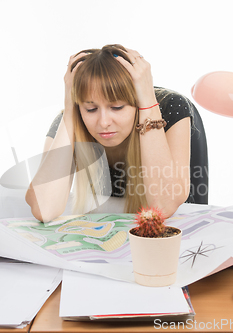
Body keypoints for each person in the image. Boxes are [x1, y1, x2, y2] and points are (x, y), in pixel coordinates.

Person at [26, 44, 198, 222]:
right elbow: (44, 209)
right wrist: (70, 111)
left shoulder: (170, 108)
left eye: (117, 107)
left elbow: (164, 206)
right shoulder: (70, 121)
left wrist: (146, 101)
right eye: (91, 109)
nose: (104, 122)